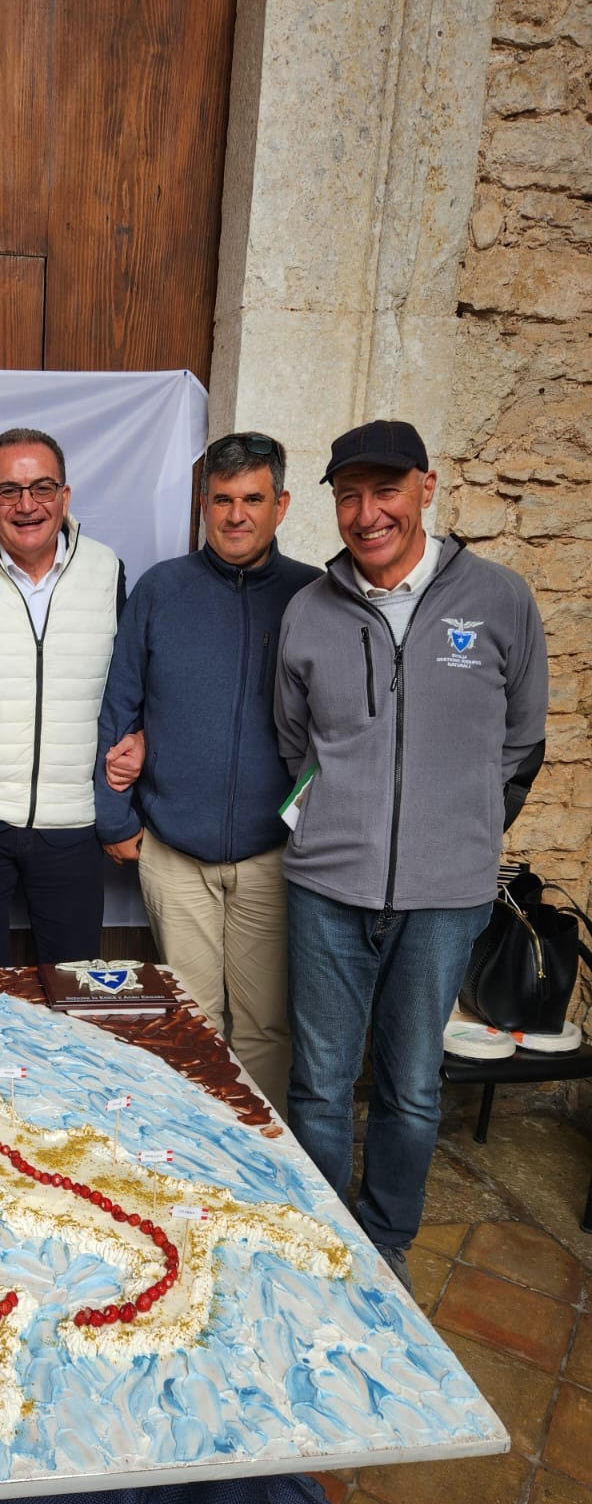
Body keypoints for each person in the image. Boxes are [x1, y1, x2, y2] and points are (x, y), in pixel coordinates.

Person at [275, 418, 548, 1289]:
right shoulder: (308, 610)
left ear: (427, 488)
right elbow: (295, 742)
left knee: (412, 1084)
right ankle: (325, 1243)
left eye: (386, 490)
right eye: (349, 495)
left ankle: (387, 1241)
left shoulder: (500, 599)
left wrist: (460, 825)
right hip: (327, 888)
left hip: (445, 895)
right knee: (320, 1082)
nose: (368, 514)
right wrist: (335, 817)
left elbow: (523, 742)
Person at [94, 433, 318, 1115]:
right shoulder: (162, 589)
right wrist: (115, 819)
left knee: (266, 1028)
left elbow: (339, 726)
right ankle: (201, 1152)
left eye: (253, 499)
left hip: (273, 855)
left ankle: (262, 1156)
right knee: (192, 1023)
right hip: (174, 852)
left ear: (281, 505)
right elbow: (120, 704)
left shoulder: (313, 595)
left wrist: (314, 829)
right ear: (203, 504)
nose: (236, 515)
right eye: (222, 499)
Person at [0, 427, 125, 967]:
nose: (27, 505)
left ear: (65, 496)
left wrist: (142, 737)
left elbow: (136, 681)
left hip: (72, 823)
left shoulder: (107, 570)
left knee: (73, 989)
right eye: (8, 491)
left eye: (42, 488)